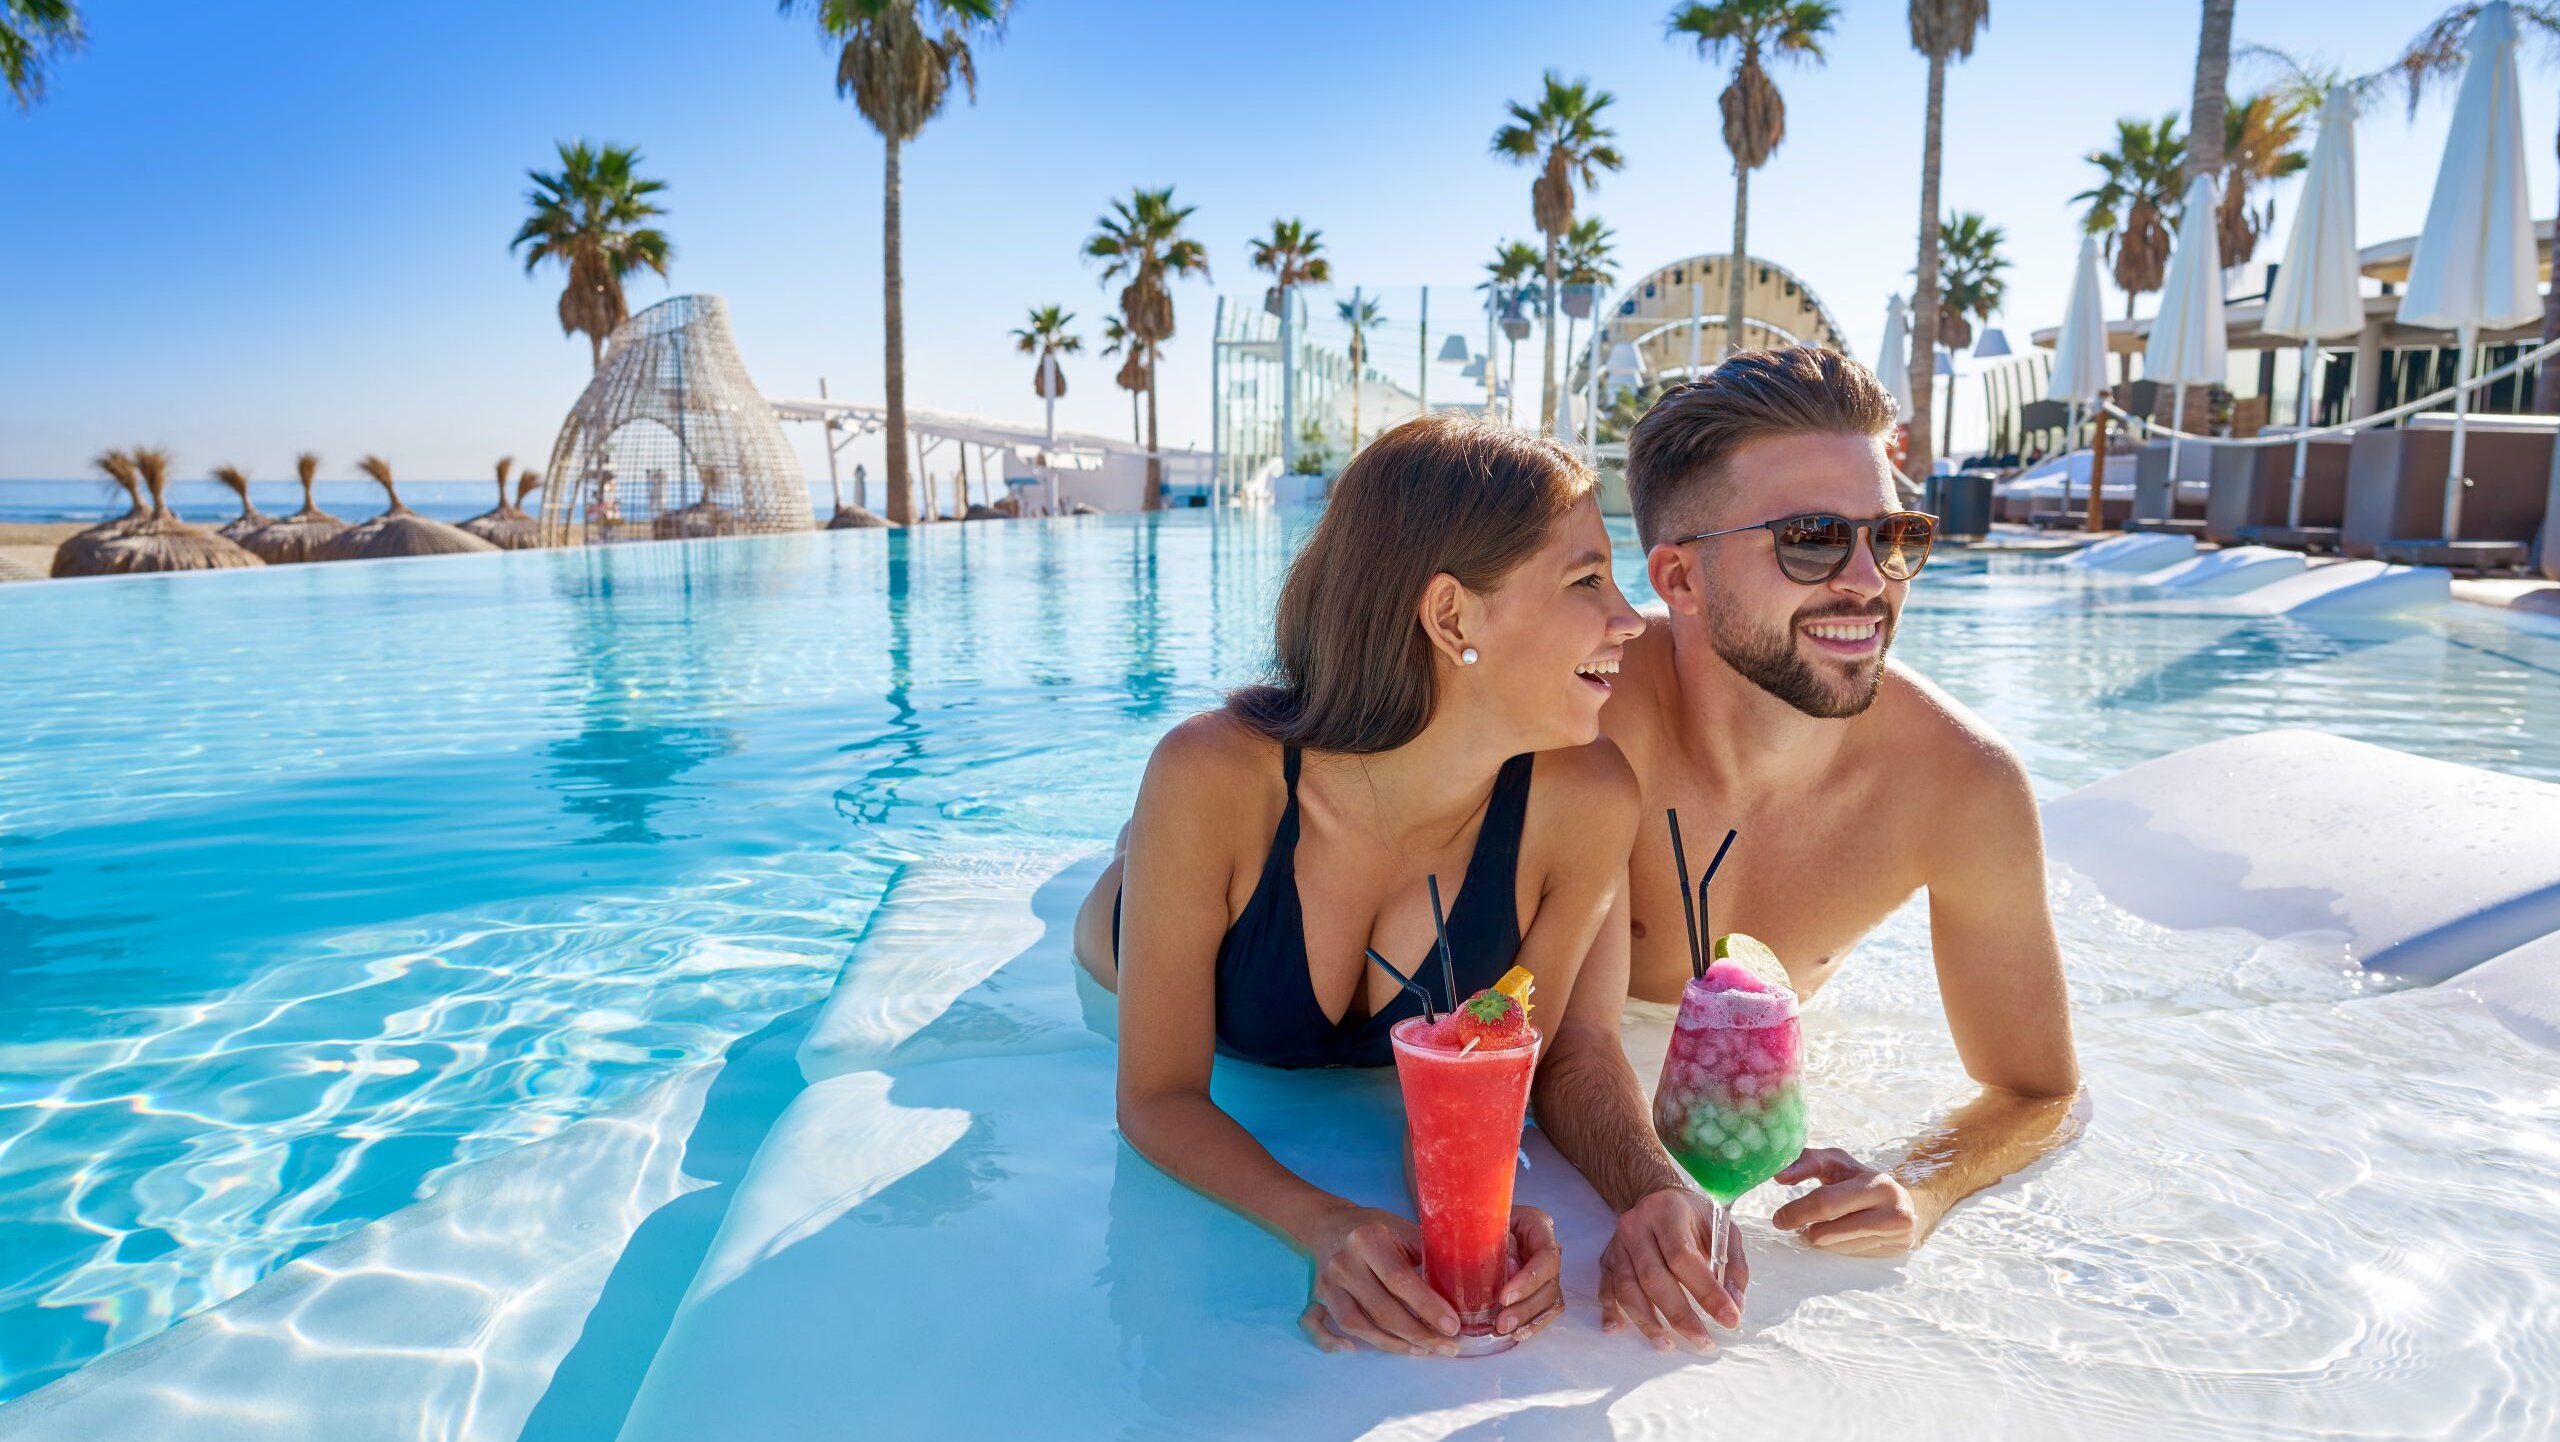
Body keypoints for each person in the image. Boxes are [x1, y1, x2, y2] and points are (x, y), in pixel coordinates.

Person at [1530, 347, 2083, 1353]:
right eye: (1813, 539)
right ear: (1679, 576)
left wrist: (1922, 1176)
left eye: (1892, 536)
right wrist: (1652, 1189)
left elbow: (2040, 1089)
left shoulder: (1962, 785)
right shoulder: (1585, 726)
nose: (1868, 582)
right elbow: (1572, 1041)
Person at [1074, 413, 1646, 1358]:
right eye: (1587, 579)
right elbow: (1157, 1097)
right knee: (1142, 855)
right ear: (1453, 614)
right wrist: (1325, 1224)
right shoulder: (1211, 778)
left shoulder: (1589, 800)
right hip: (1127, 934)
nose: (1628, 617)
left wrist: (1491, 1228)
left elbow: (1519, 1064)